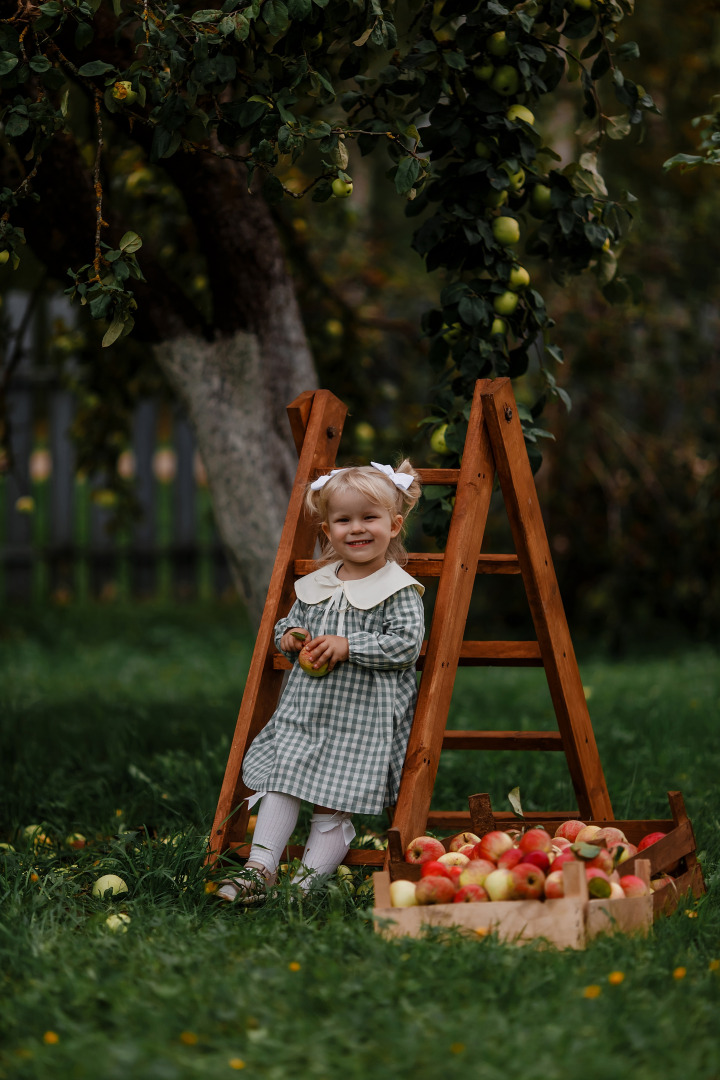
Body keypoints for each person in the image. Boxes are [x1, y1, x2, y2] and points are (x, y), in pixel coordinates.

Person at [217, 460, 425, 903]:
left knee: (334, 802)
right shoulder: (317, 585)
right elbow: (286, 627)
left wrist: (349, 645)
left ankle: (304, 888)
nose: (357, 529)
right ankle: (260, 869)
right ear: (327, 531)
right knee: (281, 780)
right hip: (305, 713)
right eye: (343, 520)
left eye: (369, 518)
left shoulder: (398, 590)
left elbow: (406, 645)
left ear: (394, 524)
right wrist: (293, 638)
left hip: (360, 722)